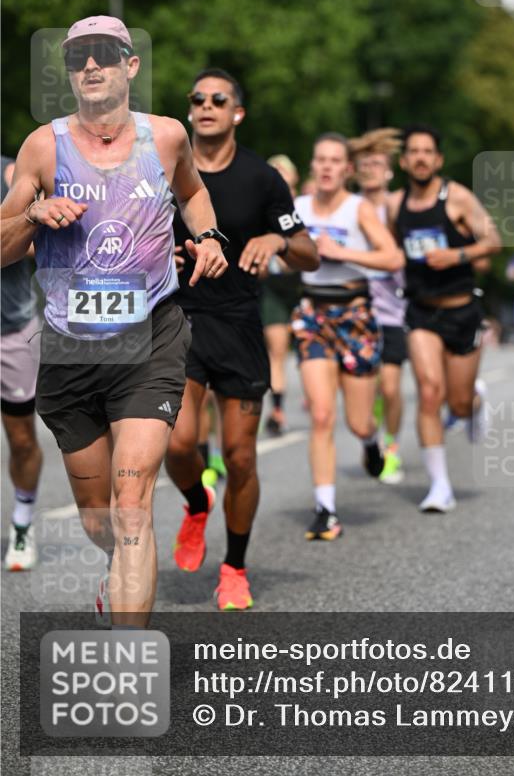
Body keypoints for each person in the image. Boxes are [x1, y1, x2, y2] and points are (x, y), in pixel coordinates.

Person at [0, 15, 227, 625]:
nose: (91, 66)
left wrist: (206, 235)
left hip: (150, 336)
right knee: (99, 516)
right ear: (70, 73)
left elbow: (193, 190)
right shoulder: (43, 146)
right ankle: (116, 572)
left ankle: (129, 658)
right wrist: (34, 215)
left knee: (132, 507)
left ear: (130, 65)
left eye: (104, 55)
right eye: (79, 59)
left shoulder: (168, 137)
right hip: (70, 352)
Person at [168, 69, 318, 609]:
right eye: (197, 99)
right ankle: (195, 502)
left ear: (237, 113)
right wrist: (168, 253)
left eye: (218, 99)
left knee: (241, 457)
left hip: (238, 323)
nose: (206, 105)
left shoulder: (261, 178)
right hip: (179, 319)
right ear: (189, 110)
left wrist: (277, 238)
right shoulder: (166, 172)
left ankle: (234, 565)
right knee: (179, 443)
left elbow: (311, 253)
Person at [292, 133, 403, 541]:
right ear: (313, 166)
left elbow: (393, 257)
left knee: (357, 422)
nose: (325, 167)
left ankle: (371, 441)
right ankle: (325, 508)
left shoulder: (360, 210)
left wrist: (343, 253)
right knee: (321, 415)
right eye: (319, 160)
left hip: (355, 315)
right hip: (312, 314)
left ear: (347, 170)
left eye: (334, 161)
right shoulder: (298, 208)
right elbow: (280, 250)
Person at [387, 125, 501, 512]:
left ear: (438, 159)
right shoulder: (394, 205)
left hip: (462, 310)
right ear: (404, 161)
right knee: (429, 391)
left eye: (427, 152)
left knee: (459, 403)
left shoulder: (457, 198)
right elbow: (390, 250)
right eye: (413, 152)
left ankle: (475, 402)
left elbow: (493, 241)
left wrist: (457, 255)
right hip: (421, 311)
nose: (420, 158)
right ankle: (440, 486)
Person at [348, 128, 407, 484]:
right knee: (366, 392)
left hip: (395, 310)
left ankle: (393, 447)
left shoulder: (399, 206)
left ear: (389, 171)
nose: (370, 169)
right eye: (364, 163)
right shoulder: (350, 207)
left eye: (377, 163)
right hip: (356, 311)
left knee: (392, 385)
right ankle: (373, 439)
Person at [1, 156, 42, 570]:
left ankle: (22, 523)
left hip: (9, 329)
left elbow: (40, 242)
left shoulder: (13, 174)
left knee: (22, 439)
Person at [260, 154, 303, 435]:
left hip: (305, 288)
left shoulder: (304, 207)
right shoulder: (259, 209)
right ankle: (276, 409)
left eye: (283, 171)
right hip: (273, 290)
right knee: (277, 350)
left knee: (307, 348)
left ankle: (314, 390)